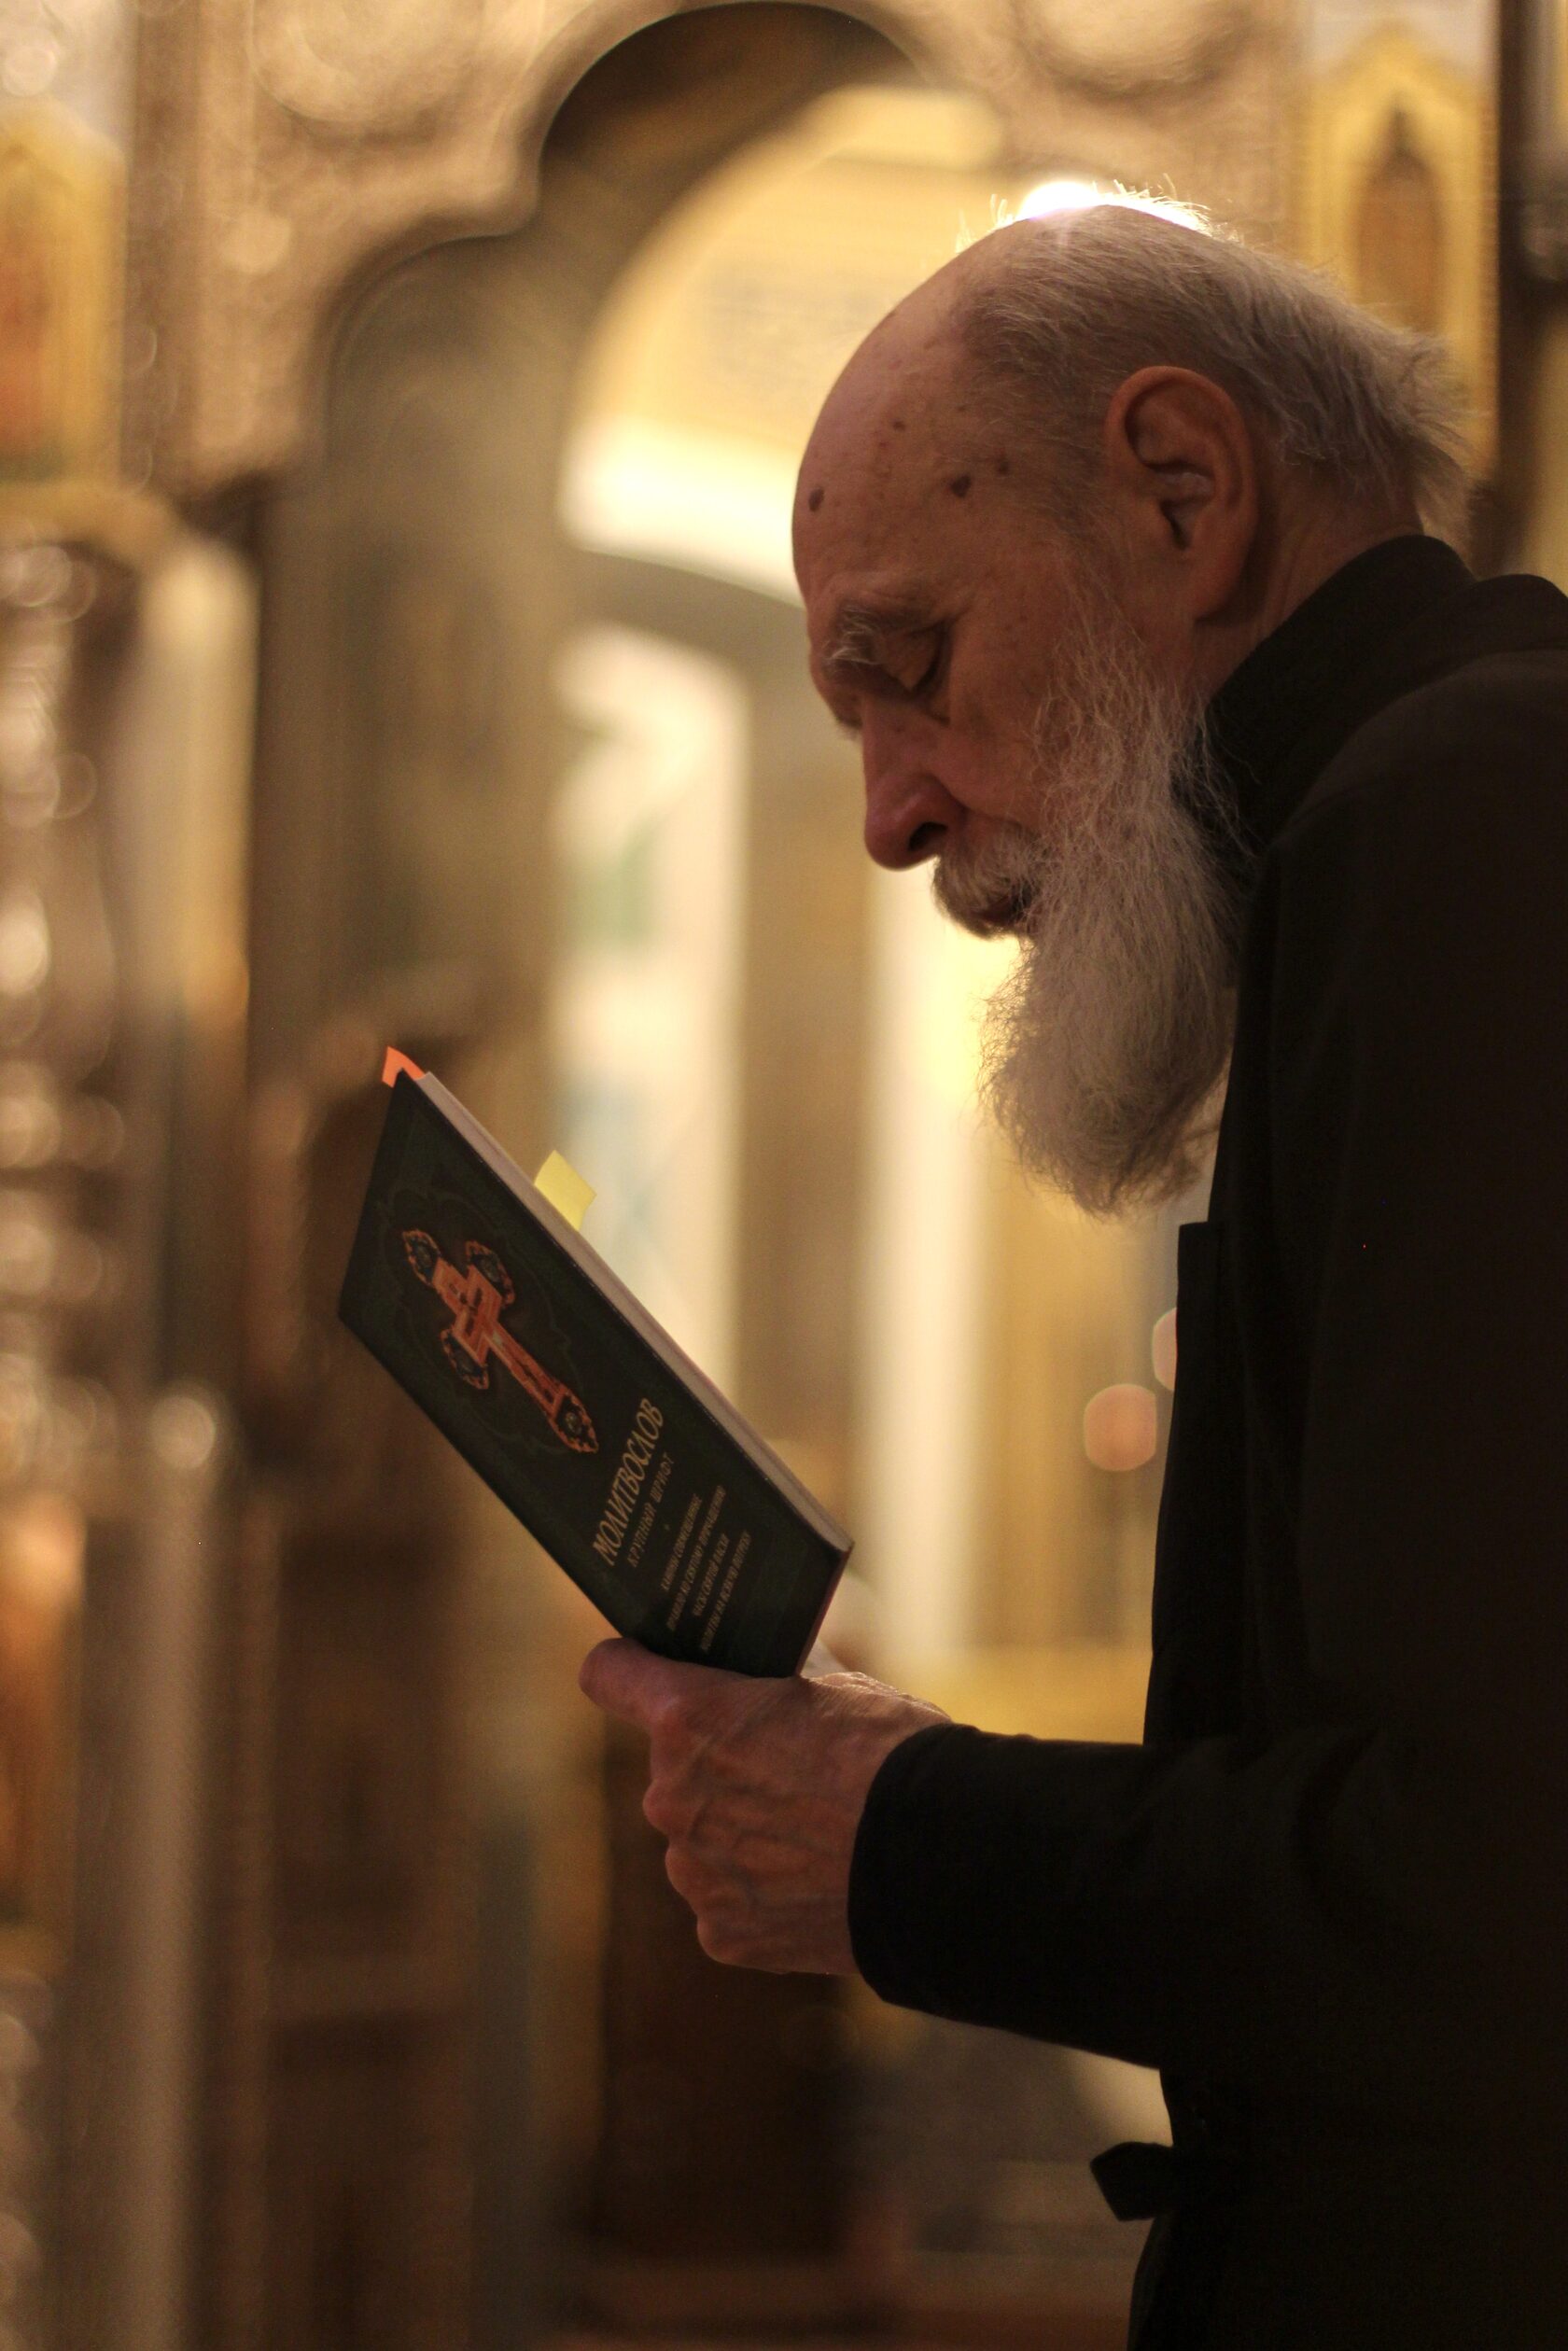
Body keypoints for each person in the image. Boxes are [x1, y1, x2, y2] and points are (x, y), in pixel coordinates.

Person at [578, 201, 1568, 2346]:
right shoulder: (1418, 811)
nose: (888, 820)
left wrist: (897, 1835)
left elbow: (1498, 1880)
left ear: (1183, 494)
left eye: (910, 665)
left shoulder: (1462, 819)